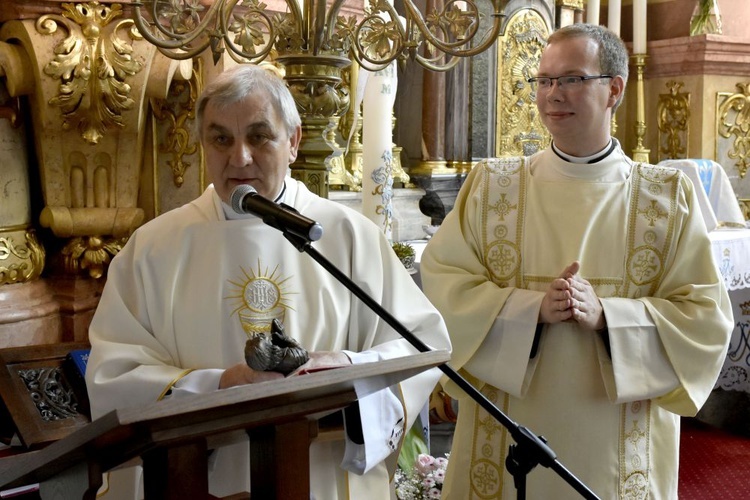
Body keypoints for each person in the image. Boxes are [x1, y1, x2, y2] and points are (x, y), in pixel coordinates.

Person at [85, 64, 452, 499]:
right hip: (197, 481)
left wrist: (348, 369)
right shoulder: (152, 249)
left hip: (321, 478)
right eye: (221, 139)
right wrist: (219, 386)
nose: (239, 157)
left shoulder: (346, 235)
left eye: (259, 136)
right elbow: (114, 376)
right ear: (203, 145)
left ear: (293, 142)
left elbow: (422, 345)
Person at [420, 23, 733, 499]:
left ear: (614, 89)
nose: (551, 95)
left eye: (570, 79)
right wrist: (530, 311)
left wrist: (609, 316)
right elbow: (443, 287)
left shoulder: (665, 197)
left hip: (613, 441)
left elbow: (705, 319)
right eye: (543, 80)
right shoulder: (492, 187)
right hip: (507, 432)